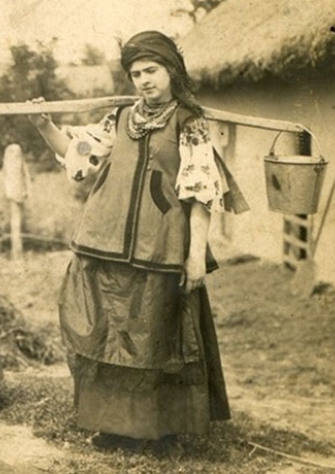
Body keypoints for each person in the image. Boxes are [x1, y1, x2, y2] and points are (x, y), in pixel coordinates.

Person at [28, 30, 248, 449]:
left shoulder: (190, 122)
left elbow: (200, 195)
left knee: (155, 339)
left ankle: (159, 433)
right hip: (104, 243)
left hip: (159, 248)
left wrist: (195, 256)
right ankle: (112, 427)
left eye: (151, 71)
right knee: (107, 332)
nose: (144, 80)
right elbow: (80, 158)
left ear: (170, 71)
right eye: (135, 74)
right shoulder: (121, 118)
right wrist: (45, 126)